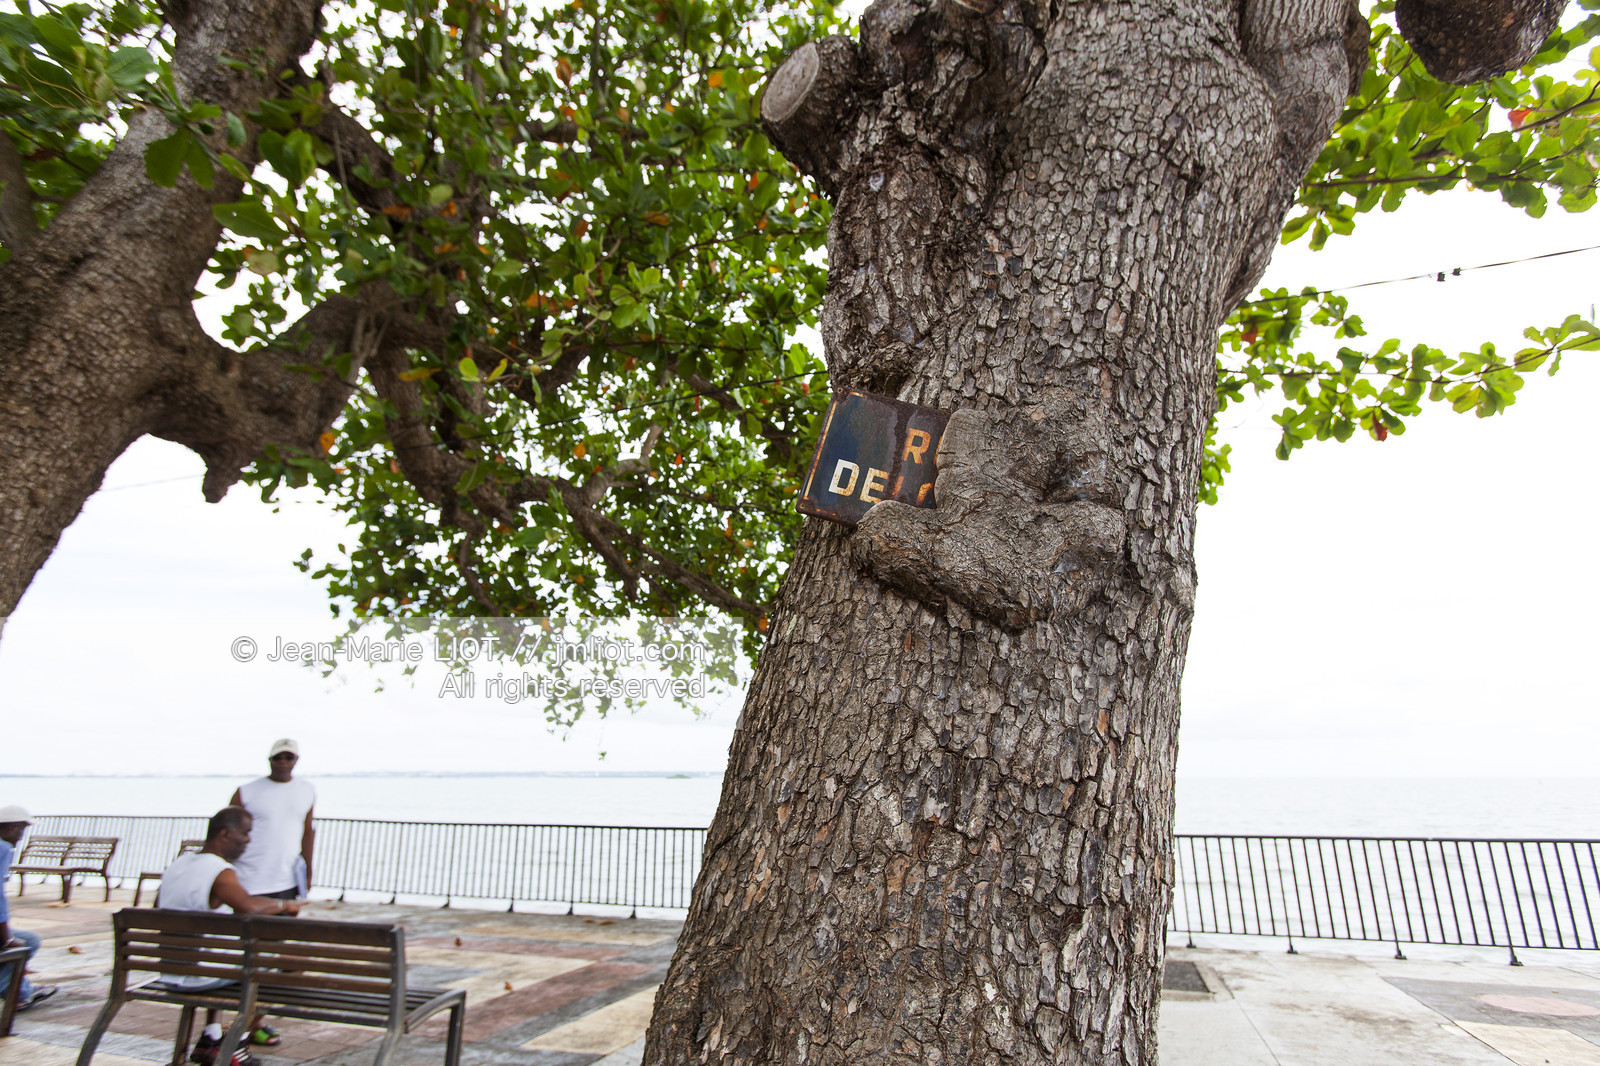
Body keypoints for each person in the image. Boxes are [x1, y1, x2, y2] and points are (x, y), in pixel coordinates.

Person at [158, 806, 300, 1064]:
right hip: (197, 976)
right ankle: (236, 1041)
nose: (248, 840)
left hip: (170, 972)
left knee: (221, 956)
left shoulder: (177, 865)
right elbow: (248, 907)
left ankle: (211, 1037)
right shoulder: (219, 871)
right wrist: (286, 905)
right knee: (284, 964)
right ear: (225, 834)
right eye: (245, 833)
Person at [228, 739, 315, 902]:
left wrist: (308, 873)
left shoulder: (307, 790)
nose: (283, 762)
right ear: (270, 760)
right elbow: (226, 834)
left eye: (288, 757)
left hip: (288, 880)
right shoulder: (246, 791)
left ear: (296, 760)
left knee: (284, 926)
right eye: (278, 757)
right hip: (249, 879)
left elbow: (308, 831)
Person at [0, 804, 57, 1012]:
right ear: (9, 829)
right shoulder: (3, 848)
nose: (21, 836)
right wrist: (6, 938)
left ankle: (21, 988)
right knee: (26, 943)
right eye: (20, 830)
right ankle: (18, 994)